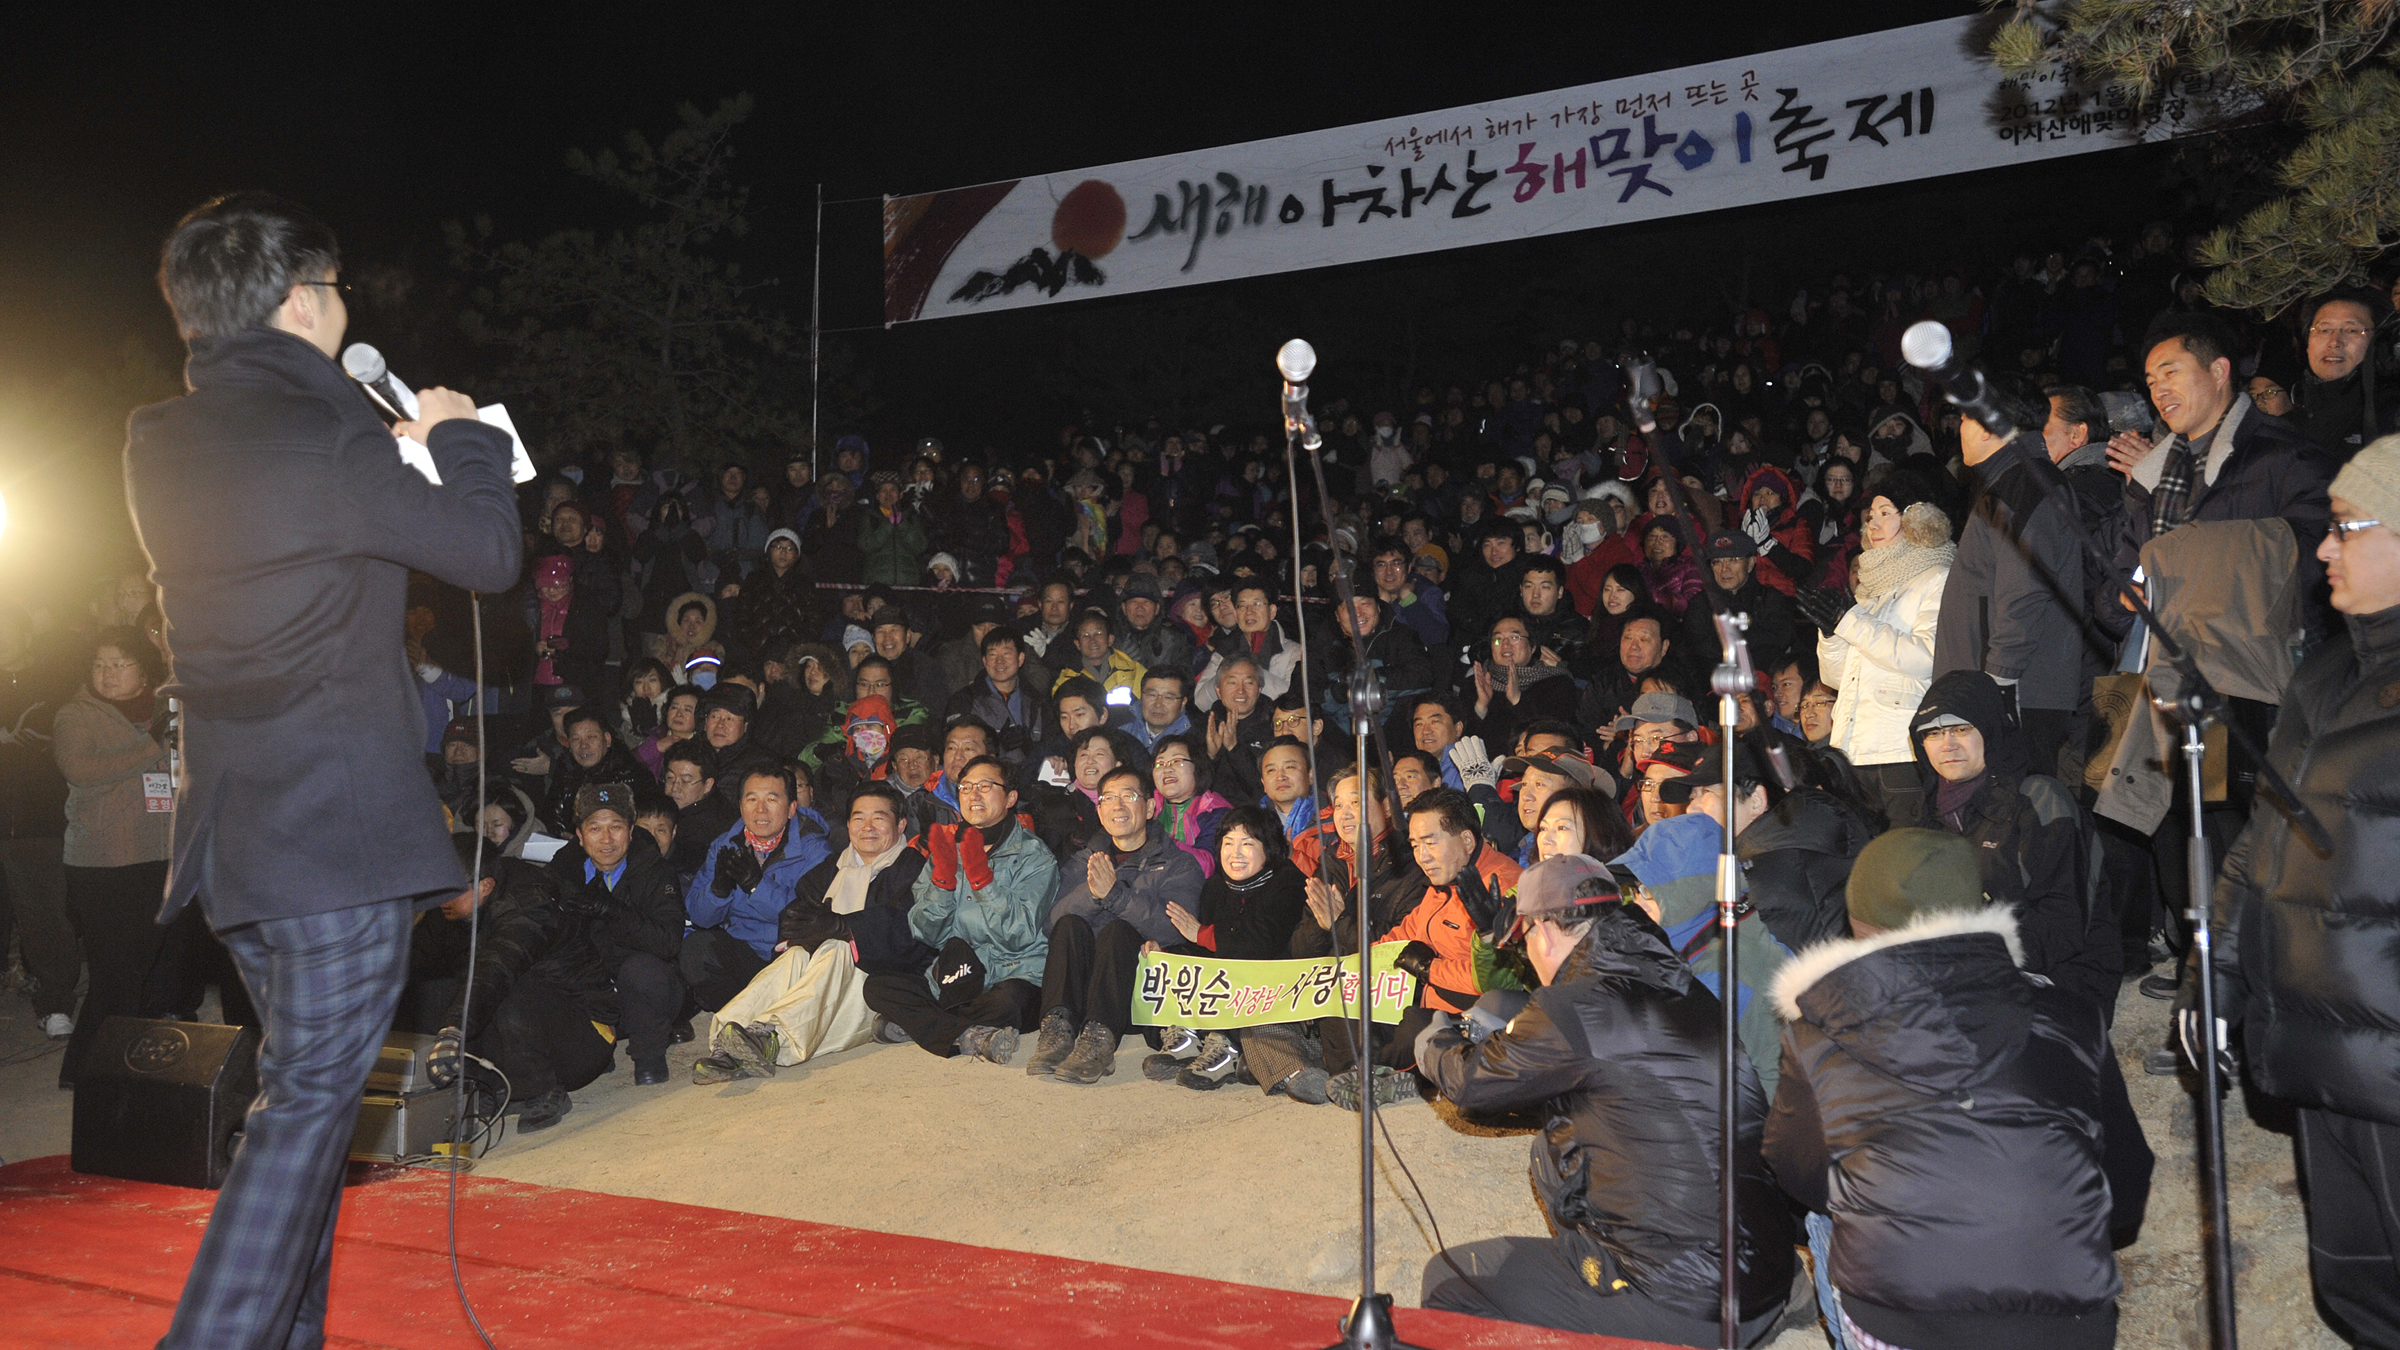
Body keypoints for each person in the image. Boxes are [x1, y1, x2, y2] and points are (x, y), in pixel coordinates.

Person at [126, 193, 522, 1350]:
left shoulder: (162, 438)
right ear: (301, 301)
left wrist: (381, 454)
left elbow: (289, 541)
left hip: (237, 849)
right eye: (336, 290)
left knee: (299, 1110)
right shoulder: (335, 440)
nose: (344, 306)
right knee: (305, 1117)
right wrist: (460, 438)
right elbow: (489, 553)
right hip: (335, 848)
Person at [2179, 447, 2400, 1344]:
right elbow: (2259, 849)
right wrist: (2218, 978)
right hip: (2319, 1051)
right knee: (2357, 1291)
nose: (2324, 549)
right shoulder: (2327, 675)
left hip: (2391, 1064)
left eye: (2350, 526)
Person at [1418, 855, 1794, 1346]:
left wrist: (1434, 1045)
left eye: (1525, 940)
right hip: (1765, 1275)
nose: (1526, 953)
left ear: (1545, 933)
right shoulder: (1676, 980)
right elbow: (1593, 1035)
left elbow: (1471, 1082)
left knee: (1447, 1278)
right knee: (1548, 1154)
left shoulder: (1572, 1010)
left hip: (1691, 1302)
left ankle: (1625, 1315)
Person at [1766, 829, 2120, 1350]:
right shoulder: (2068, 1013)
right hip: (2066, 1315)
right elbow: (2126, 1178)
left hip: (1905, 1320)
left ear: (1857, 920)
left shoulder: (1816, 1031)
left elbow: (1794, 1167)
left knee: (1828, 1214)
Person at [1909, 670, 2118, 1013]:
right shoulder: (1928, 813)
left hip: (2062, 973)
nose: (1947, 744)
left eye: (1961, 729)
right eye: (1933, 733)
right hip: (1974, 968)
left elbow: (2064, 920)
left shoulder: (2039, 799)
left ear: (1990, 729)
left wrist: (1979, 962)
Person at [696, 782, 927, 1081]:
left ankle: (771, 1035)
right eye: (858, 818)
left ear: (901, 825)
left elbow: (915, 930)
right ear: (848, 825)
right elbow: (797, 914)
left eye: (879, 818)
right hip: (823, 989)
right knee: (795, 954)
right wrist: (802, 931)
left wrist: (845, 927)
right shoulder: (832, 869)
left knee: (837, 945)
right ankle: (729, 1041)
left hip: (881, 984)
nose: (867, 827)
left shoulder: (914, 867)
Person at [1932, 371, 2091, 777]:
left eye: (1967, 420)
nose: (1961, 429)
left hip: (2015, 696)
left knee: (2017, 821)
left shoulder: (2026, 484)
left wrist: (1997, 683)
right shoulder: (2011, 482)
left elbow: (2025, 591)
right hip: (2005, 692)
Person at [862, 755, 1055, 1062]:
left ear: (1010, 798)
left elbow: (1017, 935)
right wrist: (942, 882)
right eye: (965, 787)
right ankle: (968, 1034)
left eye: (985, 786)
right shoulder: (946, 849)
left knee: (1009, 1003)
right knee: (877, 987)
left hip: (1012, 974)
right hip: (958, 977)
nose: (973, 794)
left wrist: (983, 881)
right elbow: (926, 933)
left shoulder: (1035, 856)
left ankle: (925, 1024)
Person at [1026, 764, 1206, 1082]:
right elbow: (1051, 924)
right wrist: (1096, 895)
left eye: (1128, 796)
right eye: (1108, 797)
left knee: (1119, 931)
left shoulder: (1179, 863)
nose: (1117, 805)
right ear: (1099, 809)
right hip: (1082, 985)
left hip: (1133, 993)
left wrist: (1116, 896)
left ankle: (1098, 1040)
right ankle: (1057, 1030)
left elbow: (1176, 930)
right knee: (1069, 924)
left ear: (1150, 806)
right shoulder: (1085, 858)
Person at [49, 627, 171, 1088]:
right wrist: (152, 746)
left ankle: (114, 1068)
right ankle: (88, 1071)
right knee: (115, 972)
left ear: (144, 668)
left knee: (139, 968)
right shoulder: (76, 714)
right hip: (102, 864)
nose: (108, 673)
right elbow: (80, 770)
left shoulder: (165, 707)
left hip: (157, 855)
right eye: (100, 664)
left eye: (120, 663)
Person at [1799, 481, 1952, 827]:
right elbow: (1835, 679)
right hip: (1850, 750)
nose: (1874, 524)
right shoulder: (1871, 588)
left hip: (1899, 749)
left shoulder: (1938, 578)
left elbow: (1926, 659)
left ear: (1917, 519)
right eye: (1870, 517)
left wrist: (1849, 622)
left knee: (1903, 860)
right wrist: (1831, 634)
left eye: (1886, 513)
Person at [1139, 804, 1311, 1091]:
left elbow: (1262, 943)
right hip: (1229, 973)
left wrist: (1203, 934)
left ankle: (1225, 1047)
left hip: (1274, 982)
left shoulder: (1289, 882)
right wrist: (1166, 957)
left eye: (1247, 844)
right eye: (1228, 844)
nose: (1236, 854)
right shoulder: (1217, 887)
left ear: (1268, 848)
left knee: (1235, 966)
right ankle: (1186, 1039)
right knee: (1174, 958)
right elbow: (1204, 948)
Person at [536, 779, 687, 1085]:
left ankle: (649, 1053)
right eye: (595, 828)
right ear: (579, 836)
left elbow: (668, 942)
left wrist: (612, 910)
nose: (606, 839)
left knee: (644, 971)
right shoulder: (562, 875)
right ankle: (592, 1049)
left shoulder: (654, 870)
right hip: (594, 992)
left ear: (631, 832)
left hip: (644, 992)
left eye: (616, 827)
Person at [683, 765, 834, 1013]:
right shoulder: (725, 844)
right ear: (741, 805)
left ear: (791, 808)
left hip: (789, 954)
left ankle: (759, 1014)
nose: (760, 810)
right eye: (751, 799)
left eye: (772, 800)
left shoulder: (815, 850)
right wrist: (718, 891)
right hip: (744, 951)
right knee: (695, 949)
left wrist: (756, 886)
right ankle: (744, 1015)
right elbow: (699, 916)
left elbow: (808, 917)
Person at [2287, 287, 2394, 462]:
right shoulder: (2287, 420)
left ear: (2380, 341)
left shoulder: (2389, 415)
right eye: (2324, 330)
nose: (2334, 342)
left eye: (2351, 330)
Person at [943, 627, 1050, 767]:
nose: (999, 661)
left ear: (1020, 659)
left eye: (1006, 654)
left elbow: (1052, 748)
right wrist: (996, 745)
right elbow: (951, 748)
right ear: (985, 661)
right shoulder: (964, 700)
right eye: (993, 655)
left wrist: (1029, 746)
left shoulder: (1037, 700)